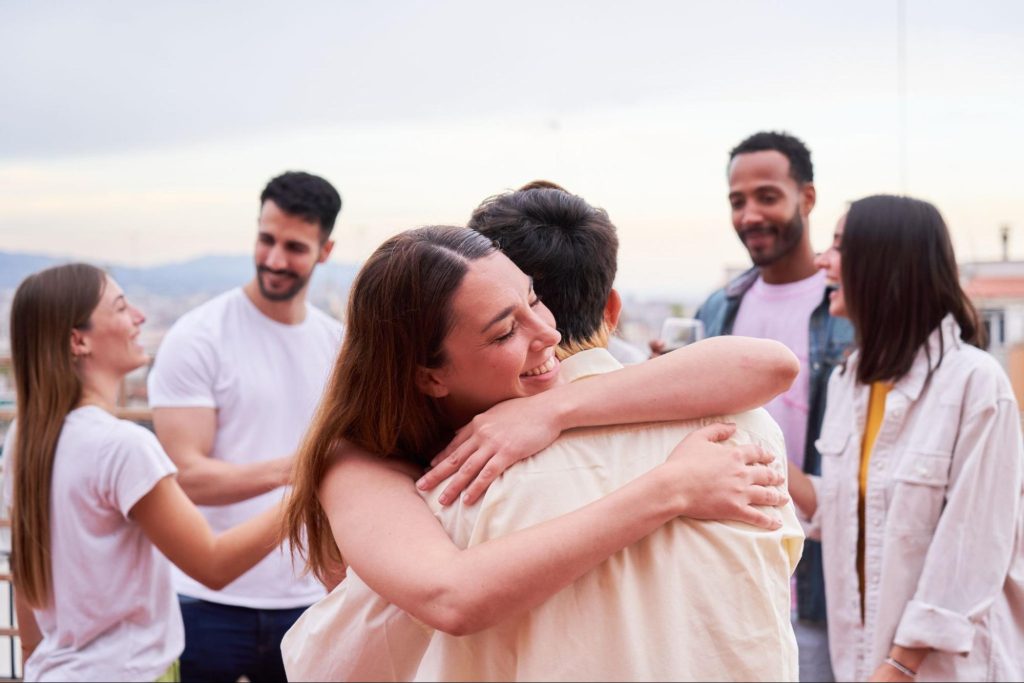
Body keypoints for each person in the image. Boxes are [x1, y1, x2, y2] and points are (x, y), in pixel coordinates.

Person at [281, 224, 799, 680]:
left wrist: (555, 410)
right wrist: (671, 488)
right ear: (429, 376)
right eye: (506, 330)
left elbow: (769, 365)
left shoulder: (539, 406)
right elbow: (451, 596)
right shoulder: (356, 465)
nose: (547, 332)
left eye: (533, 299)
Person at [2, 264, 283, 682]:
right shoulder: (123, 446)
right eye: (121, 308)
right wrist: (307, 490)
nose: (140, 317)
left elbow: (27, 595)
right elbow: (213, 563)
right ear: (78, 340)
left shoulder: (25, 441)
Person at [788, 195, 1024, 681]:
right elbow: (846, 510)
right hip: (862, 663)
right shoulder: (848, 382)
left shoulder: (977, 385)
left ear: (884, 261)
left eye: (838, 246)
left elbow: (972, 546)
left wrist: (898, 667)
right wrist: (754, 445)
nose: (820, 260)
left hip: (945, 670)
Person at [146, 171, 343, 681]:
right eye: (266, 239)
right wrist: (300, 469)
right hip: (204, 602)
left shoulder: (339, 347)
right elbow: (186, 479)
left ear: (325, 251)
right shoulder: (198, 337)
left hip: (310, 598)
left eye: (295, 247)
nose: (275, 259)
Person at [686, 131, 854, 681]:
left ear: (806, 198)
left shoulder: (847, 312)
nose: (750, 214)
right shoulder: (718, 308)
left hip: (820, 583)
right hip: (727, 573)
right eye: (737, 201)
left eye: (767, 196)